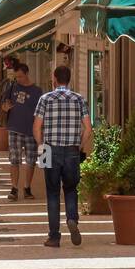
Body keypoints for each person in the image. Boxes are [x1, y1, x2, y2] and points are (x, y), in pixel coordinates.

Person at [33, 64, 93, 249]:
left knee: (52, 193)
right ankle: (72, 219)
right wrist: (80, 145)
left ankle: (54, 237)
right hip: (72, 150)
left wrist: (41, 146)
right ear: (70, 79)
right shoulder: (79, 99)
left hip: (49, 149)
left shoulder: (45, 99)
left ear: (54, 78)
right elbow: (88, 129)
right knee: (71, 189)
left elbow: (36, 127)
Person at [1, 61, 43, 201]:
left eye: (20, 76)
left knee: (31, 161)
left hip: (31, 131)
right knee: (14, 160)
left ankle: (27, 188)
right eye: (16, 77)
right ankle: (14, 188)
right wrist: (5, 107)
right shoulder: (12, 87)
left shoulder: (37, 91)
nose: (18, 79)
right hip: (15, 129)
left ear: (26, 74)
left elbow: (40, 112)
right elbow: (4, 103)